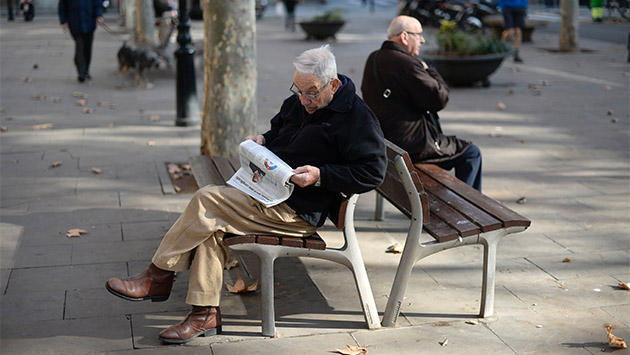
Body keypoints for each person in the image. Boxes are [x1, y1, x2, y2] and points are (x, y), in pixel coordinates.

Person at [105, 45, 387, 344]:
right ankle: (204, 315)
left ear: (333, 84)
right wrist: (262, 140)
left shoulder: (357, 119)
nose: (304, 100)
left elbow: (372, 172)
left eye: (312, 93)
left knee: (207, 200)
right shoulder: (301, 102)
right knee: (210, 227)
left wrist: (321, 175)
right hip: (267, 192)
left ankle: (157, 276)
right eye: (299, 90)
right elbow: (280, 129)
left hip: (296, 211)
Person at [361, 15, 482, 192]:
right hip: (412, 144)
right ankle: (470, 207)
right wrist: (430, 71)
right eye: (418, 35)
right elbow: (439, 99)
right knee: (471, 153)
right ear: (404, 36)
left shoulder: (374, 57)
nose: (422, 40)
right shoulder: (407, 63)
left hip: (385, 141)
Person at [58, 0, 104, 82]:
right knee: (80, 46)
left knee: (87, 48)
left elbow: (98, 4)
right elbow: (62, 7)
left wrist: (99, 15)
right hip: (75, 23)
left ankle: (86, 70)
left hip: (89, 23)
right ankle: (81, 72)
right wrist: (63, 21)